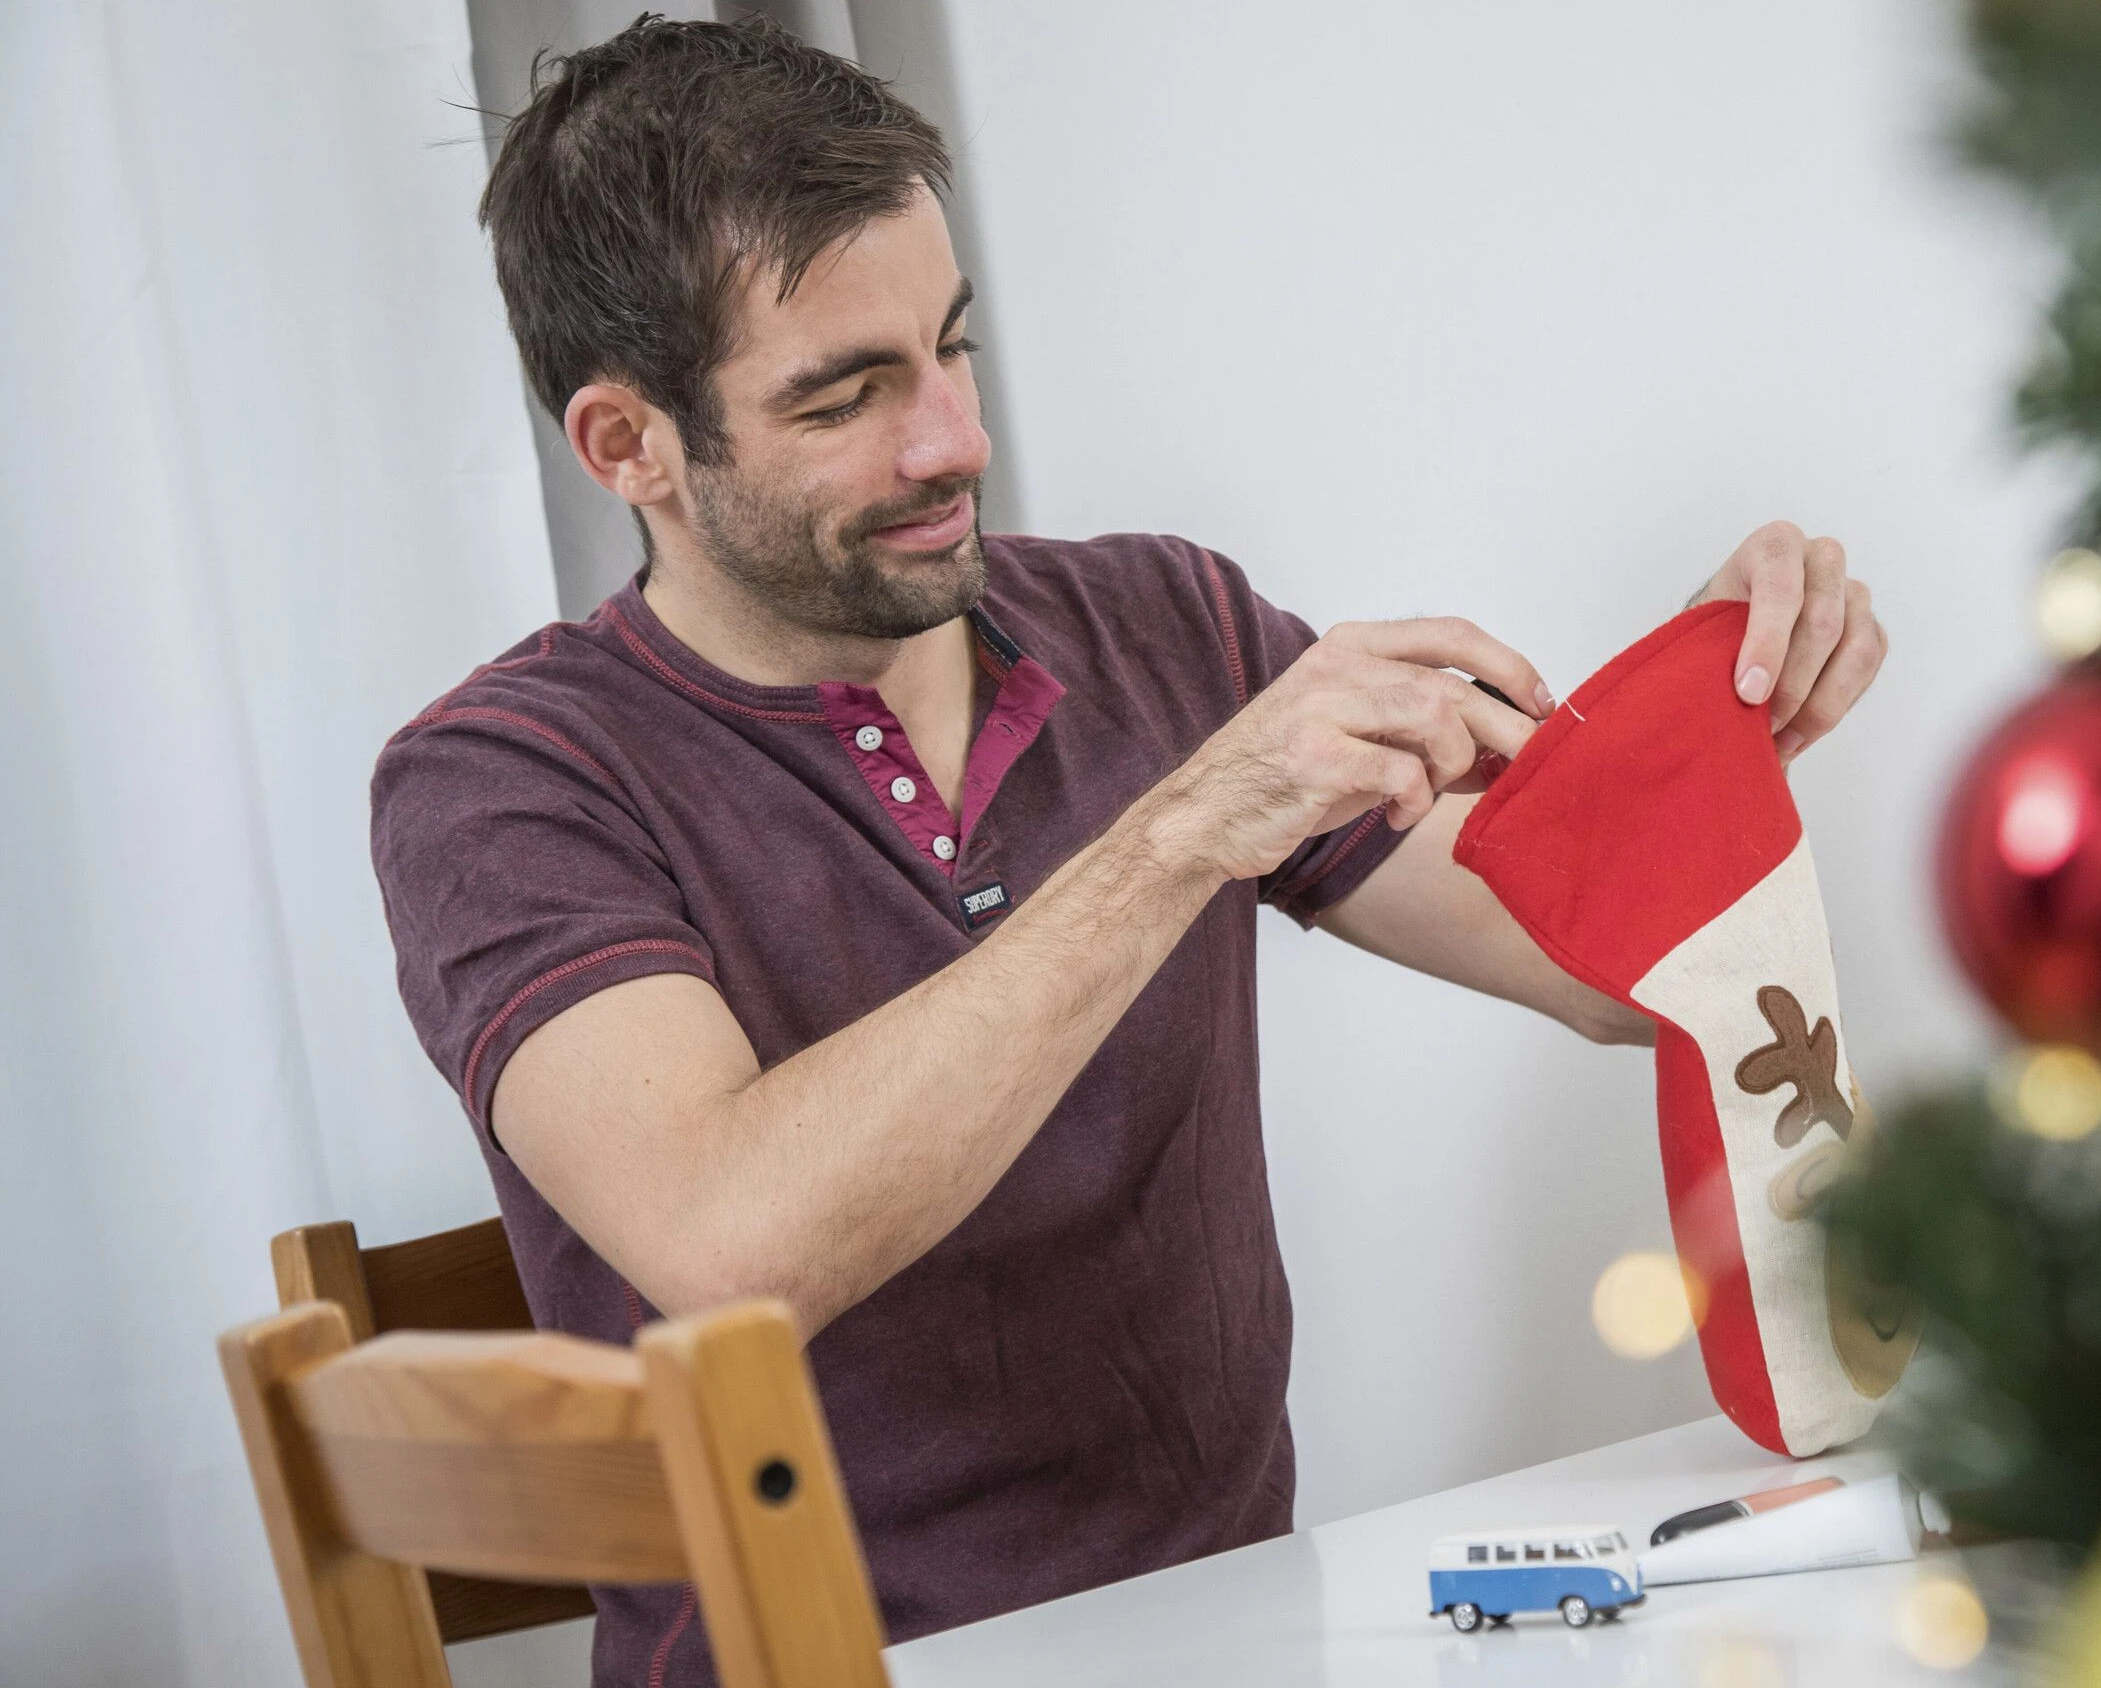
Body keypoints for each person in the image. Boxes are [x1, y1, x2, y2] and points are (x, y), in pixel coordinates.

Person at [373, 16, 1884, 1686]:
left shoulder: (1167, 627)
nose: (953, 437)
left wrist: (1707, 719)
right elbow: (739, 1248)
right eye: (845, 394)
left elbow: (1612, 974)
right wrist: (1179, 833)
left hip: (1236, 1643)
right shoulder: (503, 782)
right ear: (626, 446)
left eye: (949, 347)